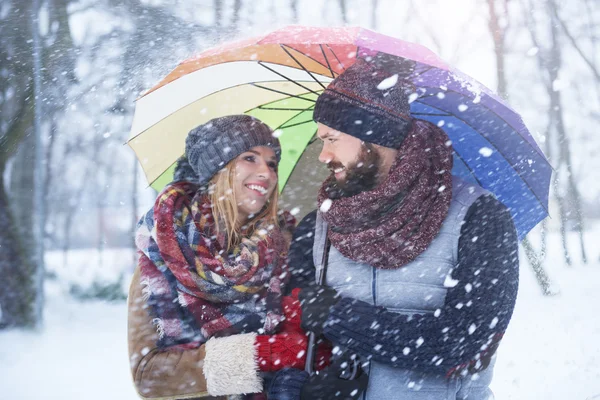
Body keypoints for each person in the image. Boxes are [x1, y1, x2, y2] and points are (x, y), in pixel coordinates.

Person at [268, 57, 520, 400]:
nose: (323, 155)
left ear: (375, 135)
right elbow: (299, 338)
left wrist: (339, 317)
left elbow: (465, 344)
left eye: (332, 138)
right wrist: (303, 387)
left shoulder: (480, 217)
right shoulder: (320, 227)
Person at [127, 115, 330, 400]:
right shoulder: (166, 253)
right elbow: (149, 376)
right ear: (216, 170)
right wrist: (261, 353)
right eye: (250, 158)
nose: (267, 173)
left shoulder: (286, 247)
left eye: (272, 164)